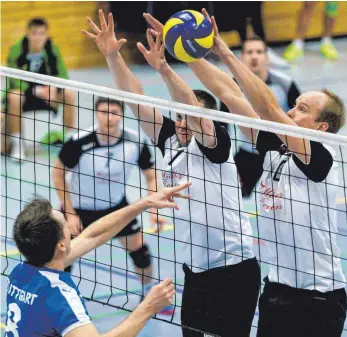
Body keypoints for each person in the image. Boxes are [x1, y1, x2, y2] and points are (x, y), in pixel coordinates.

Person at [83, 10, 260, 337]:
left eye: (188, 117)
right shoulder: (170, 141)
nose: (181, 121)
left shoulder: (217, 144)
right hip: (194, 272)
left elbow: (191, 105)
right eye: (177, 116)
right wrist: (112, 56)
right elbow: (134, 98)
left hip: (234, 270)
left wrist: (165, 67)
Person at [182, 9, 346, 337]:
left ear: (321, 126)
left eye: (301, 109)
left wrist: (226, 52)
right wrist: (187, 53)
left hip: (320, 296)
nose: (289, 111)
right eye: (294, 104)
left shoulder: (324, 154)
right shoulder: (274, 146)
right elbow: (230, 96)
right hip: (276, 291)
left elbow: (268, 106)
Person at [5, 183, 190, 337]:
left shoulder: (21, 272)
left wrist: (144, 203)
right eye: (65, 225)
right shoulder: (59, 294)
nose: (71, 229)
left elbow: (92, 236)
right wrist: (149, 306)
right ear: (61, 245)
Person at [52, 96, 173, 314]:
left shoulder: (134, 141)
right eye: (104, 112)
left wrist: (154, 210)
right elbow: (58, 174)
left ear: (122, 115)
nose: (109, 118)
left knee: (141, 252)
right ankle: (60, 301)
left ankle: (148, 293)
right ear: (96, 114)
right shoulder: (79, 142)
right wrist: (69, 213)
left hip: (117, 208)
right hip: (79, 209)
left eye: (114, 113)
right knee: (63, 257)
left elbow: (151, 176)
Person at [221, 36, 301, 196]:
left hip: (281, 154)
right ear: (242, 56)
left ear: (267, 56)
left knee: (286, 199)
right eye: (249, 52)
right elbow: (222, 125)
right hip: (248, 152)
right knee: (231, 194)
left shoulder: (285, 83)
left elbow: (300, 121)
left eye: (259, 52)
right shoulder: (232, 86)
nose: (254, 56)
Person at [3, 17, 75, 161]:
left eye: (42, 34)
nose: (38, 38)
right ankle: (18, 146)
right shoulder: (17, 50)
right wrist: (36, 91)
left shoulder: (52, 49)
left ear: (47, 35)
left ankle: (69, 141)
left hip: (48, 94)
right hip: (25, 96)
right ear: (28, 34)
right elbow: (13, 79)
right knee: (14, 96)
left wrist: (54, 87)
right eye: (34, 33)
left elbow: (63, 75)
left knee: (69, 93)